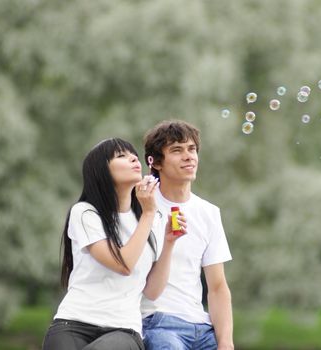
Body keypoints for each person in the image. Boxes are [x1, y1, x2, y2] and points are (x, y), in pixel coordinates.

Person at [42, 138, 186, 350]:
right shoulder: (85, 212)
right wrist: (148, 213)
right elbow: (123, 265)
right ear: (102, 172)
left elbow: (153, 291)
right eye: (121, 156)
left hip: (123, 330)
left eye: (133, 155)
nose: (134, 158)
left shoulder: (150, 220)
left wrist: (169, 243)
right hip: (72, 323)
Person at [141, 121, 234, 350]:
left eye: (191, 149)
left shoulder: (209, 213)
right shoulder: (141, 206)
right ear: (156, 162)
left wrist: (225, 342)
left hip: (201, 326)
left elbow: (218, 286)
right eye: (177, 150)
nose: (188, 156)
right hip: (157, 322)